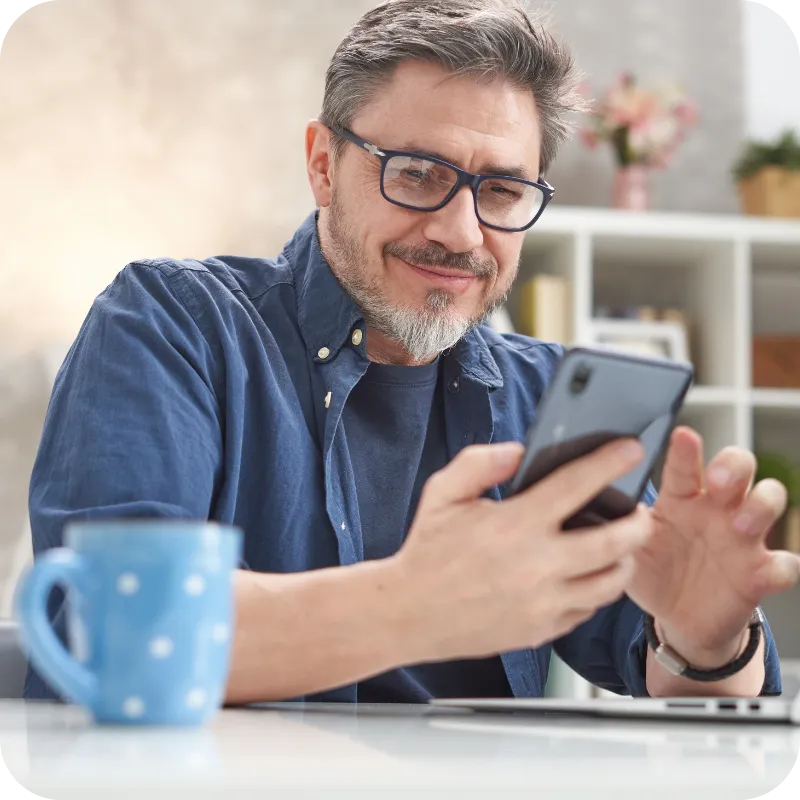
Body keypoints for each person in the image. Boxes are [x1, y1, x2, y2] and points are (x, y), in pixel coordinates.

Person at [26, 0, 797, 705]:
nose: (461, 233)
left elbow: (672, 674)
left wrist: (707, 639)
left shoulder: (543, 396)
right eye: (419, 174)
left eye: (501, 192)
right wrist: (416, 605)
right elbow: (119, 634)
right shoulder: (172, 325)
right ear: (324, 165)